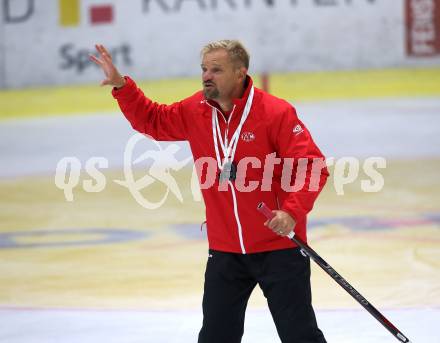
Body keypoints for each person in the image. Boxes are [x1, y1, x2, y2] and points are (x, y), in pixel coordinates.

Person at [91, 40, 329, 343]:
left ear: (240, 73)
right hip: (226, 250)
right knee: (216, 336)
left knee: (300, 336)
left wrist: (292, 212)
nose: (206, 76)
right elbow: (153, 120)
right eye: (204, 69)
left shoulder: (275, 113)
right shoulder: (196, 110)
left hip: (278, 248)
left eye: (216, 70)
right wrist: (122, 86)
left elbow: (312, 167)